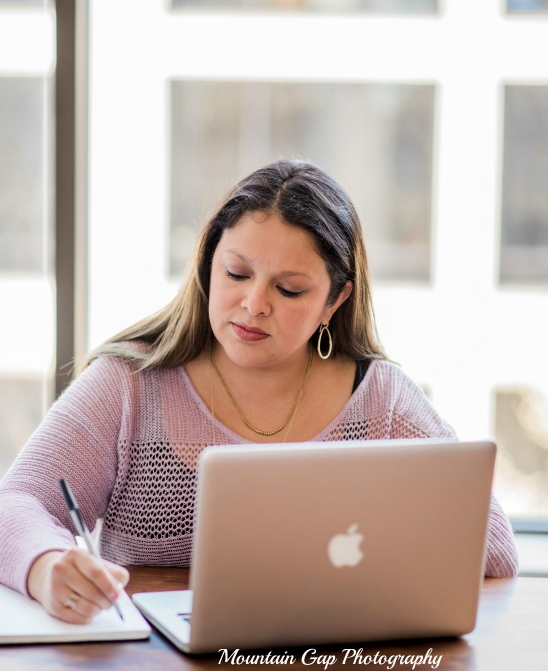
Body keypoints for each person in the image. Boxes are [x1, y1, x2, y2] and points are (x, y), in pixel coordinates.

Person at [0, 159, 518, 624]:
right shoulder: (131, 383)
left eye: (289, 289)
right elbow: (16, 503)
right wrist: (46, 568)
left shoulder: (381, 399)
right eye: (236, 273)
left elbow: (493, 550)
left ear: (334, 301)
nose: (253, 304)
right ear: (207, 265)